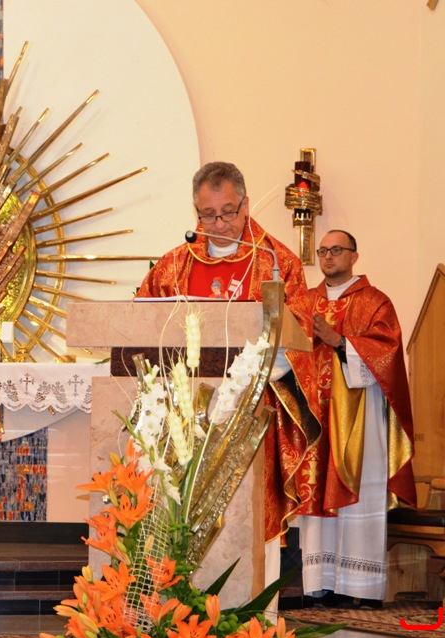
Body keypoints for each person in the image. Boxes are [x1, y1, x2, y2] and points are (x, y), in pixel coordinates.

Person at [135, 161, 323, 545]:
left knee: (246, 524)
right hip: (183, 412)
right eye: (208, 214)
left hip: (250, 409)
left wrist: (248, 374)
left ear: (246, 205)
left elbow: (300, 335)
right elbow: (139, 323)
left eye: (227, 212)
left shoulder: (277, 262)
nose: (219, 224)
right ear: (196, 210)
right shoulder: (174, 265)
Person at [297, 229, 416, 609]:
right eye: (322, 251)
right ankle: (320, 584)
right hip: (315, 419)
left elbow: (388, 355)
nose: (328, 257)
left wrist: (339, 342)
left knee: (360, 497)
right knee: (317, 495)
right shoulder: (304, 303)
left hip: (361, 421)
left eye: (336, 250)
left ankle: (361, 587)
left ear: (354, 256)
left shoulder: (375, 302)